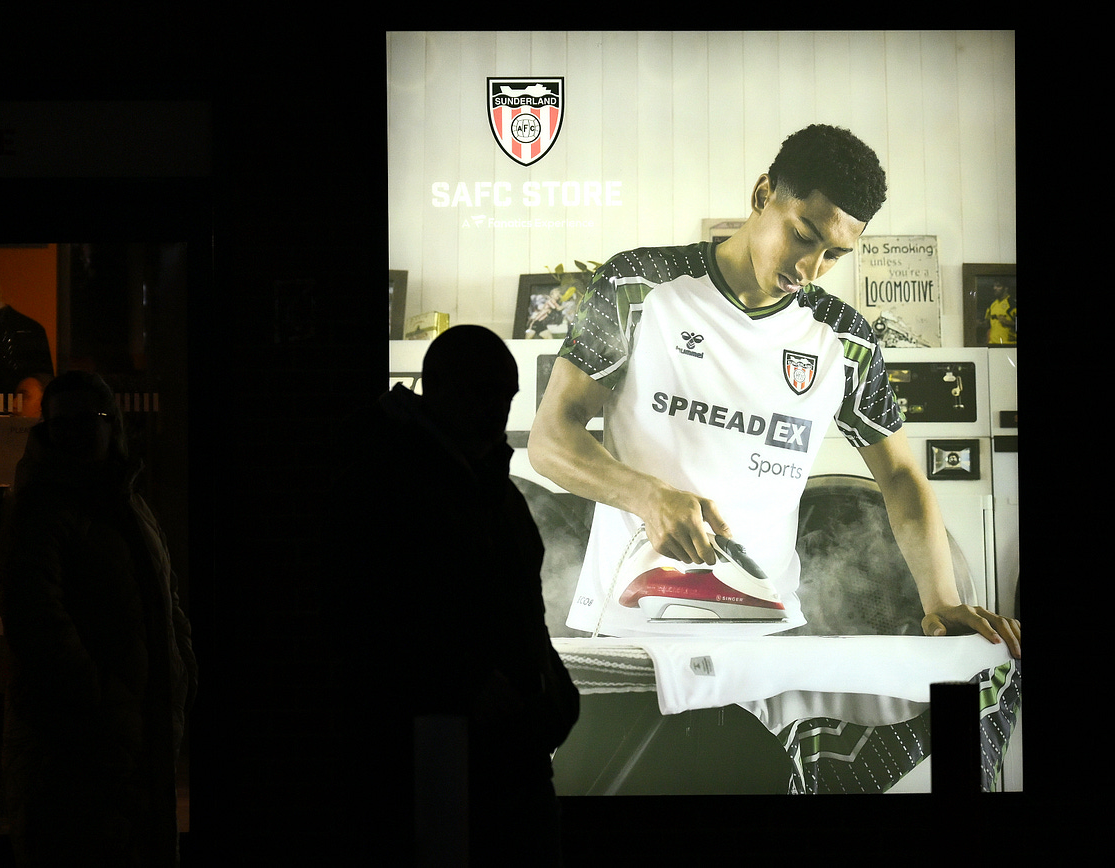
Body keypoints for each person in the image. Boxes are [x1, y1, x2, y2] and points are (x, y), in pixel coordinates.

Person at [527, 124, 1021, 655]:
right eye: (804, 236)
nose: (810, 269)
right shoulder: (638, 285)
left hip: (767, 634)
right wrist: (649, 498)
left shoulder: (844, 338)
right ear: (763, 195)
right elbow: (550, 438)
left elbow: (899, 473)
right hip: (627, 626)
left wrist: (942, 601)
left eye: (834, 254)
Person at [332, 325, 579, 867]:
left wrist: (551, 692)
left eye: (508, 397)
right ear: (437, 388)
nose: (499, 411)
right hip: (434, 753)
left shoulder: (480, 477)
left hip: (496, 746)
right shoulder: (383, 476)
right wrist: (462, 682)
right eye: (485, 393)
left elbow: (518, 605)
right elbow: (366, 612)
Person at [0, 371, 197, 867]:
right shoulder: (43, 511)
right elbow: (39, 622)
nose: (80, 432)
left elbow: (164, 596)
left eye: (91, 419)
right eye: (64, 423)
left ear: (114, 426)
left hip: (134, 729)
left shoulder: (128, 503)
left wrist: (182, 669)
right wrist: (98, 700)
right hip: (77, 745)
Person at [982, 279, 1016, 345]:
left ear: (1006, 288)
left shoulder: (1012, 304)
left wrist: (1009, 323)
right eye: (994, 286)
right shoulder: (992, 304)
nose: (995, 288)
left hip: (1009, 345)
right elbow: (987, 325)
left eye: (998, 286)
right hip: (993, 344)